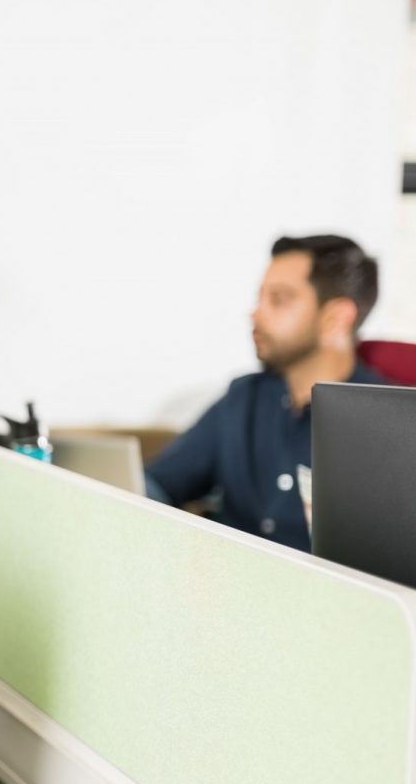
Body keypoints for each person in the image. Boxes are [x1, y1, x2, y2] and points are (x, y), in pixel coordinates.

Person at [145, 233, 387, 551]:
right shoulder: (243, 397)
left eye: (279, 299)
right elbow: (158, 482)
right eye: (259, 297)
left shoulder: (391, 424)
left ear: (335, 318)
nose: (256, 313)